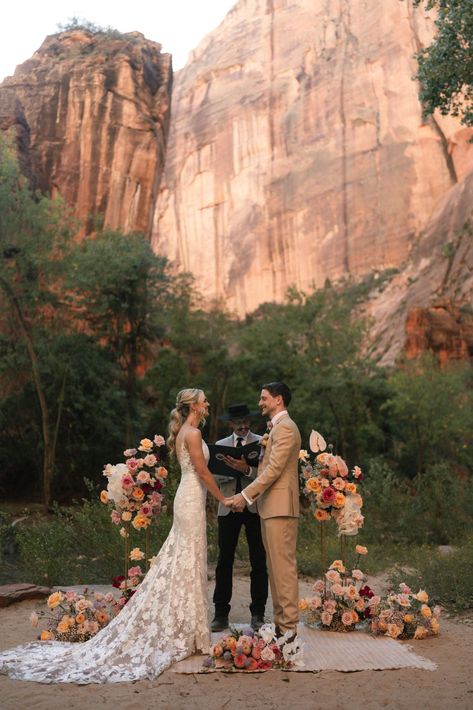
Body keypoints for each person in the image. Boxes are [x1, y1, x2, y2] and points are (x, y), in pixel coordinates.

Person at [0, 388, 232, 684]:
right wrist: (224, 500)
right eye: (204, 400)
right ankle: (191, 632)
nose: (208, 403)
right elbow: (201, 470)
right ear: (194, 406)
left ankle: (194, 630)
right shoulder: (194, 434)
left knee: (189, 558)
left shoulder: (187, 431)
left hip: (189, 498)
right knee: (187, 558)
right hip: (191, 498)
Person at [228, 382, 301, 638]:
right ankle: (282, 626)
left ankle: (289, 629)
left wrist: (245, 495)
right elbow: (266, 470)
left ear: (278, 400)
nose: (260, 403)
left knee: (283, 568)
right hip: (269, 507)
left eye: (264, 398)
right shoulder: (275, 428)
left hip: (281, 508)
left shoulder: (287, 429)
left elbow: (274, 470)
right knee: (275, 567)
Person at [211, 403, 268, 632]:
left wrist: (247, 470)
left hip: (254, 507)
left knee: (258, 561)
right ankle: (220, 614)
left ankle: (258, 614)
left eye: (246, 422)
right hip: (227, 507)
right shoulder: (220, 446)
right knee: (224, 561)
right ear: (230, 424)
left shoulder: (262, 442)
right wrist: (233, 470)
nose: (243, 426)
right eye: (238, 423)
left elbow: (266, 473)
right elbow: (212, 476)